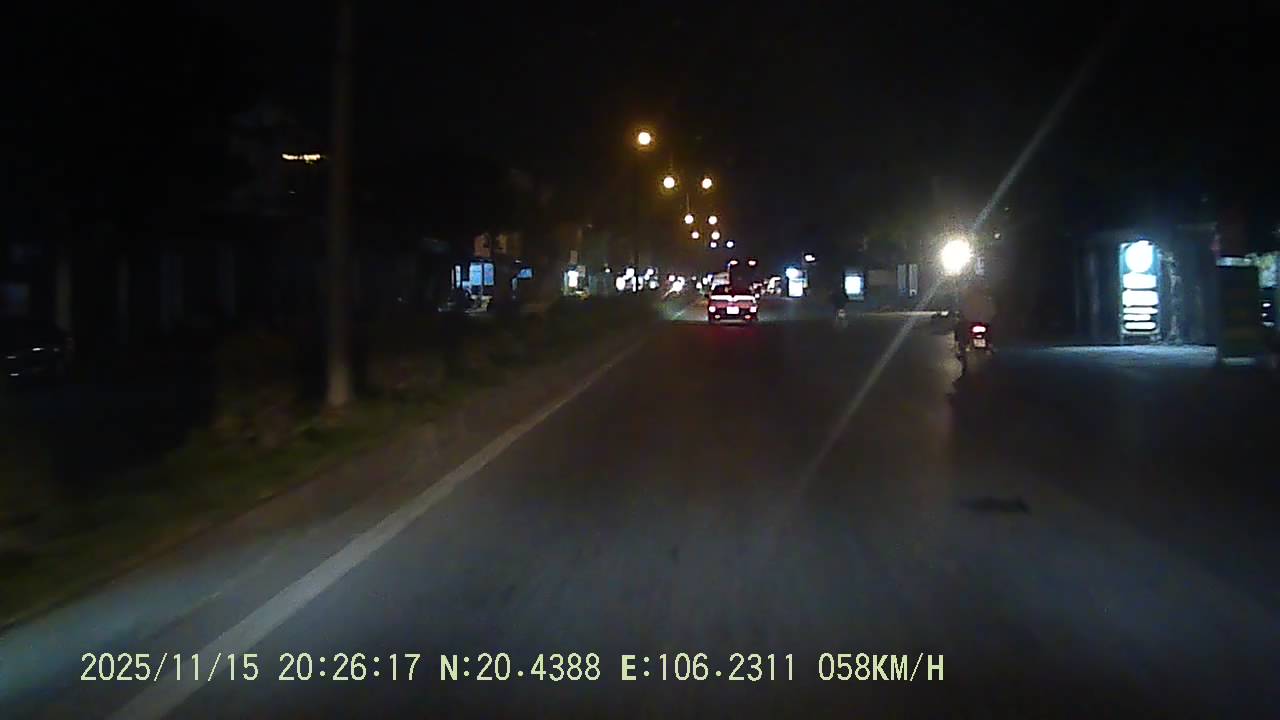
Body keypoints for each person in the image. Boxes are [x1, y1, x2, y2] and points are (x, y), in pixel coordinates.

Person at [954, 282, 997, 350]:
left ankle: (961, 347)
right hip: (984, 323)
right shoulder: (988, 299)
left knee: (959, 328)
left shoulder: (967, 299)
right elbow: (993, 312)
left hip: (970, 323)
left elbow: (962, 310)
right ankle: (991, 344)